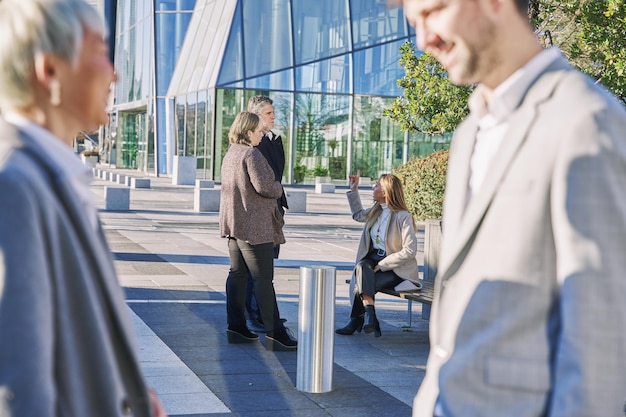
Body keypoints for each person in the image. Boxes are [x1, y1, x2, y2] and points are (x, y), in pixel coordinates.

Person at [397, 0, 626, 416]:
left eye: (433, 12)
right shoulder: (469, 132)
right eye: (415, 22)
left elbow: (600, 337)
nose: (423, 40)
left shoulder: (587, 121)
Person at [0, 0, 167, 415]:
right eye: (99, 51)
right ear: (50, 70)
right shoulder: (14, 186)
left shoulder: (48, 174)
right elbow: (19, 387)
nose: (114, 74)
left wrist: (124, 396)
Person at [219, 111, 297, 351]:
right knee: (263, 279)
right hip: (255, 227)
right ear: (248, 131)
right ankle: (276, 333)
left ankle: (237, 327)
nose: (262, 136)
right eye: (259, 131)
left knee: (237, 275)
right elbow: (266, 187)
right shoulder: (251, 154)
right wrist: (278, 186)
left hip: (236, 224)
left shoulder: (232, 152)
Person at [336, 171, 419, 338]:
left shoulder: (403, 217)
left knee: (363, 281)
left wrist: (382, 265)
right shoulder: (376, 211)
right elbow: (358, 215)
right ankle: (370, 316)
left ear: (385, 192)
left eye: (376, 186)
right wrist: (353, 190)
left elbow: (409, 250)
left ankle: (358, 320)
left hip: (395, 267)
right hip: (372, 259)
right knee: (362, 267)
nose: (373, 188)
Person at [244, 96, 288, 333]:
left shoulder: (272, 140)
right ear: (256, 116)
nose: (273, 117)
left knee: (266, 266)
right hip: (260, 213)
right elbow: (263, 182)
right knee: (257, 269)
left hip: (273, 210)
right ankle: (254, 315)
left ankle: (265, 313)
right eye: (269, 113)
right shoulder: (252, 146)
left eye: (273, 112)